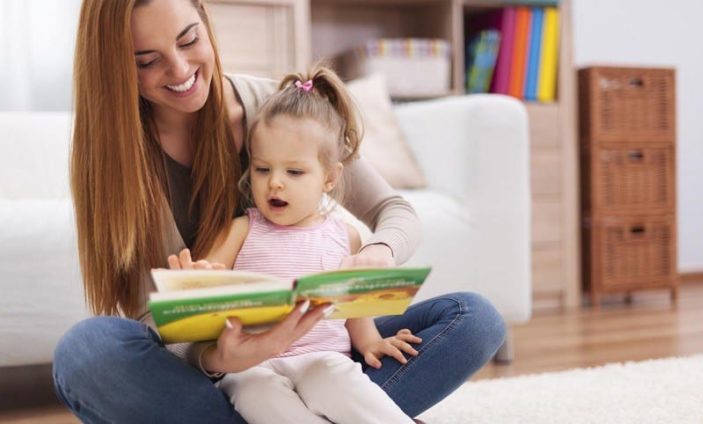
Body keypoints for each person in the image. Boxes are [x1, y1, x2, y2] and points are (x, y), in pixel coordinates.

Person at [52, 0, 506, 423]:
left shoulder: (276, 112)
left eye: (189, 40)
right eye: (147, 61)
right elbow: (150, 319)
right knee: (87, 352)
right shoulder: (113, 161)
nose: (180, 69)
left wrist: (379, 253)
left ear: (207, 27)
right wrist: (220, 357)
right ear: (116, 68)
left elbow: (394, 209)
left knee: (475, 319)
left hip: (320, 352)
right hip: (221, 371)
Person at [166, 66, 417, 423]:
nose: (275, 184)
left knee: (344, 382)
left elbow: (352, 312)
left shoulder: (346, 236)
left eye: (294, 172)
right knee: (256, 393)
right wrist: (193, 280)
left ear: (329, 177)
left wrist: (373, 342)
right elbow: (203, 295)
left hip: (323, 358)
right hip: (252, 365)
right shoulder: (240, 229)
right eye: (262, 170)